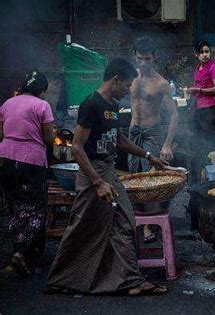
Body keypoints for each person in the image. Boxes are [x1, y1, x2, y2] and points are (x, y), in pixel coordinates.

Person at [46, 58, 168, 296]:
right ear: (115, 80)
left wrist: (149, 155)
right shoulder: (91, 104)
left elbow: (119, 140)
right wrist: (97, 182)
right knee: (83, 227)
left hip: (109, 172)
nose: (127, 91)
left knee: (124, 222)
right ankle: (61, 279)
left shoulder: (111, 106)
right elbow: (77, 148)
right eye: (126, 86)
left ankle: (130, 280)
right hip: (94, 176)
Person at [0, 71, 55, 277]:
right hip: (31, 161)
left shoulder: (7, 103)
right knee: (38, 209)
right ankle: (22, 253)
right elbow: (49, 139)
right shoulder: (42, 106)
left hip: (5, 158)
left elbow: (1, 133)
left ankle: (20, 250)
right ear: (42, 90)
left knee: (15, 206)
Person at [128, 36, 178, 243]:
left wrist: (167, 143)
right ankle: (133, 221)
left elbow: (174, 114)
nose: (143, 63)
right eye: (140, 59)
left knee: (151, 179)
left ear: (154, 57)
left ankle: (149, 225)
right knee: (132, 178)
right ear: (135, 57)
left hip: (152, 132)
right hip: (133, 132)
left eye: (147, 59)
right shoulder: (130, 78)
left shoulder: (161, 83)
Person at [185, 41, 215, 178]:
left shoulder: (214, 68)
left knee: (207, 139)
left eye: (207, 51)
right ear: (196, 54)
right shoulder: (198, 68)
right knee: (198, 139)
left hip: (211, 108)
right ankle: (200, 169)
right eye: (201, 52)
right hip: (200, 107)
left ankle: (210, 170)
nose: (205, 55)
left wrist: (198, 90)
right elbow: (198, 87)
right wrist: (192, 91)